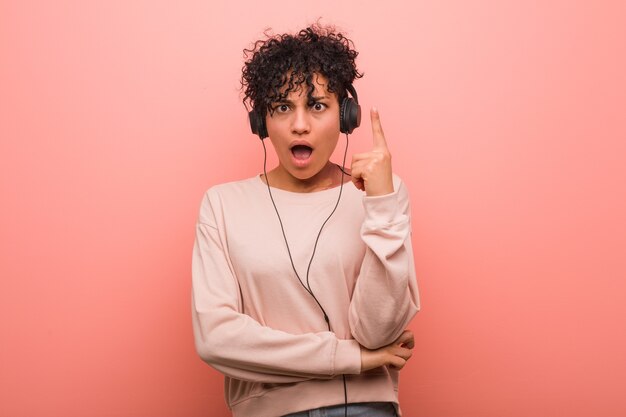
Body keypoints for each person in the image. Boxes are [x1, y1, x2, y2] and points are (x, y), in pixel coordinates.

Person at [191, 24, 420, 417]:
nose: (300, 125)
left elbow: (378, 331)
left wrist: (382, 203)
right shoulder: (223, 205)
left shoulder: (379, 195)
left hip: (366, 409)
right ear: (261, 122)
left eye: (317, 105)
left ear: (346, 116)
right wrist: (351, 358)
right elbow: (216, 339)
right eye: (282, 107)